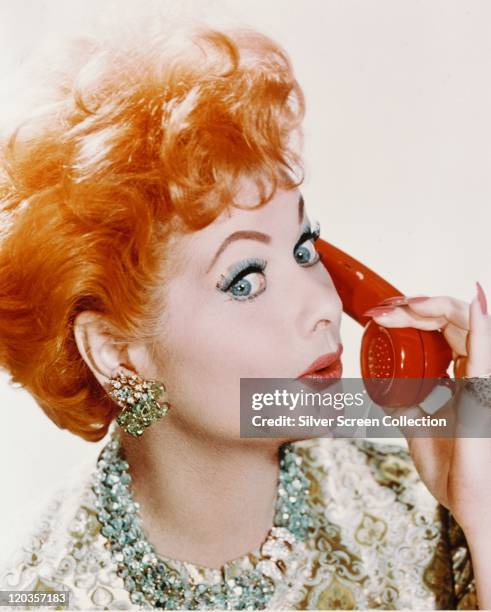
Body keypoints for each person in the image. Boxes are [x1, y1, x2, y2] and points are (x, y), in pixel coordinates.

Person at [0, 21, 490, 611]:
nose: (324, 305)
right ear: (116, 350)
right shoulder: (40, 590)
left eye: (304, 248)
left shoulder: (419, 504)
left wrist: (482, 514)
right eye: (246, 279)